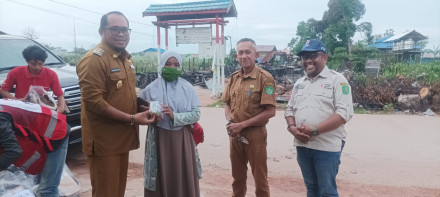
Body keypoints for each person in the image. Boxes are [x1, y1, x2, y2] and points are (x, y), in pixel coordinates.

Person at [76, 11, 155, 197]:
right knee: (106, 192)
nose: (121, 34)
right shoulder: (93, 60)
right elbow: (95, 103)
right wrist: (132, 118)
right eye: (115, 29)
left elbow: (123, 92)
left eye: (125, 29)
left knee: (117, 191)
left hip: (121, 138)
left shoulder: (125, 58)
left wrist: (142, 104)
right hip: (104, 142)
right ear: (101, 31)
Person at [284, 39, 354, 197]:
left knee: (327, 191)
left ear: (325, 57)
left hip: (326, 147)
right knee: (311, 187)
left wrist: (314, 130)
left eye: (313, 55)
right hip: (302, 145)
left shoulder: (338, 81)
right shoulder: (300, 83)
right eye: (304, 57)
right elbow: (289, 110)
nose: (307, 60)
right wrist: (292, 128)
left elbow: (343, 114)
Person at [0, 45, 68, 197]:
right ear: (27, 62)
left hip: (46, 121)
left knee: (48, 186)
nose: (37, 67)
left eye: (40, 64)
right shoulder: (16, 72)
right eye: (33, 63)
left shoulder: (50, 74)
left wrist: (60, 108)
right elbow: (3, 90)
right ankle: (37, 183)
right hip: (24, 120)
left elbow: (59, 95)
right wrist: (17, 101)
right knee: (34, 156)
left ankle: (45, 185)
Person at [139, 51, 202, 197]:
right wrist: (152, 114)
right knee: (160, 173)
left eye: (176, 65)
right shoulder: (151, 88)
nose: (172, 67)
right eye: (168, 64)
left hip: (182, 139)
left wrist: (175, 116)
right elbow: (141, 108)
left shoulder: (187, 88)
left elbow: (196, 114)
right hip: (158, 138)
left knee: (182, 172)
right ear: (161, 65)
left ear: (180, 67)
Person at [221, 38, 276, 197]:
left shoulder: (265, 78)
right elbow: (227, 104)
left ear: (256, 55)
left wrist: (242, 125)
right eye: (240, 52)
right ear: (236, 56)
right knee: (237, 179)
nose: (244, 56)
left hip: (255, 136)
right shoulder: (233, 78)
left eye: (248, 52)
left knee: (260, 180)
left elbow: (270, 111)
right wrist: (230, 123)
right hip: (235, 135)